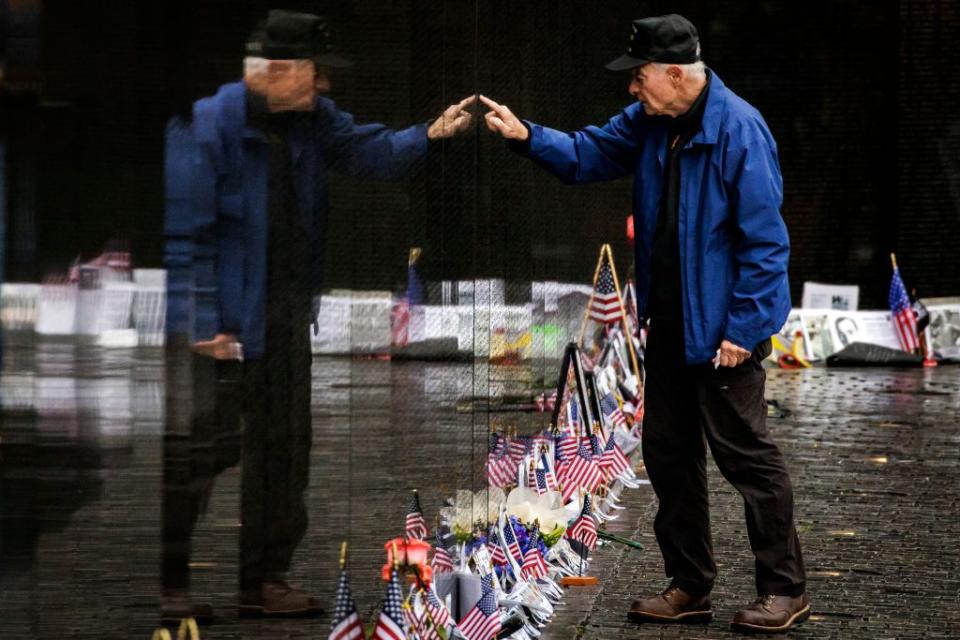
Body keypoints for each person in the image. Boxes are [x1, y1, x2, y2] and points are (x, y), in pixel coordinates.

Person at [480, 14, 808, 634]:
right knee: (667, 456)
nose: (632, 89)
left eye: (639, 77)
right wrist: (527, 135)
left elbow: (766, 246)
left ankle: (785, 590)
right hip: (669, 327)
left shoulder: (739, 130)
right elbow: (586, 154)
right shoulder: (651, 123)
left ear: (676, 74)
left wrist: (742, 330)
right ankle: (690, 585)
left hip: (722, 337)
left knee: (749, 462)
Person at [163, 9, 475, 621]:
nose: (325, 86)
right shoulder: (206, 129)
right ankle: (170, 578)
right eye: (316, 73)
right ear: (276, 71)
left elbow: (370, 152)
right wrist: (204, 323)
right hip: (226, 328)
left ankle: (264, 580)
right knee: (205, 451)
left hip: (284, 318)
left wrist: (430, 135)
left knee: (285, 452)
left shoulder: (312, 121)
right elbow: (185, 238)